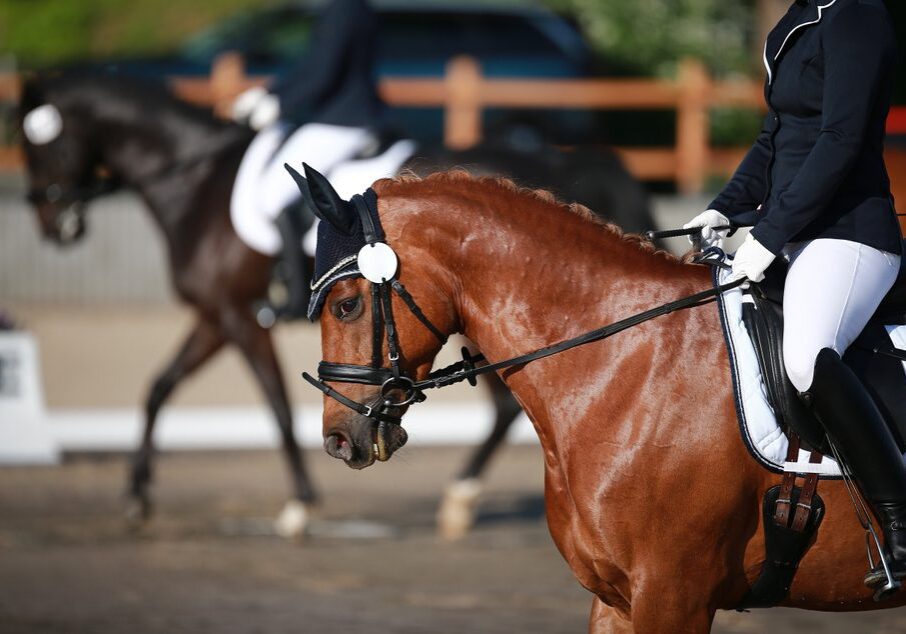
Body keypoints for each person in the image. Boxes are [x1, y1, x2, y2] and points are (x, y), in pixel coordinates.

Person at [684, 0, 904, 588]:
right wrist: (726, 207)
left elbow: (841, 139)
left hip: (848, 236)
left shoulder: (857, 15)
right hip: (794, 233)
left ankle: (900, 516)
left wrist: (769, 233)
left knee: (806, 357)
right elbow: (775, 137)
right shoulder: (800, 18)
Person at [230, 0, 384, 321]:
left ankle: (298, 297)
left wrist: (280, 104)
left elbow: (323, 72)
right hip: (339, 116)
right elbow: (311, 67)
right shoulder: (346, 7)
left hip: (340, 120)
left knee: (273, 195)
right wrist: (270, 94)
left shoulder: (343, 9)